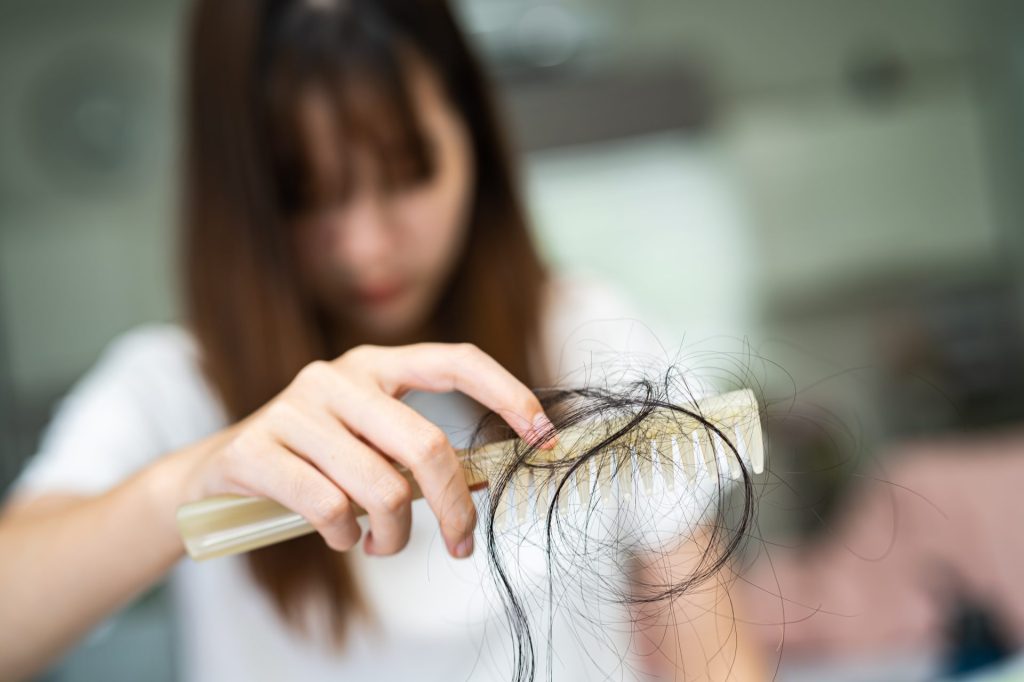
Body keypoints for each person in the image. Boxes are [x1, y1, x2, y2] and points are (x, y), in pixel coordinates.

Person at [0, 1, 762, 679]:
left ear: (474, 136)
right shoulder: (165, 387)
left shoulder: (584, 328)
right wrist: (191, 481)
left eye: (408, 172)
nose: (366, 247)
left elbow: (712, 654)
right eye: (305, 195)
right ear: (243, 197)